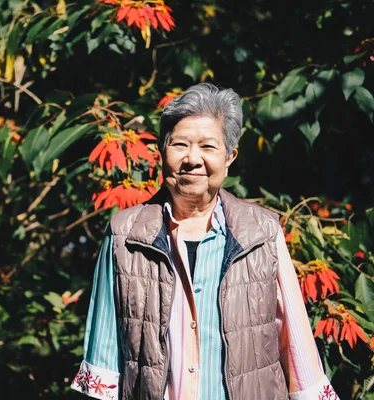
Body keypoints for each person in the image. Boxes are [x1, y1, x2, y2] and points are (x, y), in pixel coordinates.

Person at [70, 83, 338, 400]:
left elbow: (295, 346)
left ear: (229, 157)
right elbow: (104, 355)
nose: (192, 159)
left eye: (208, 147)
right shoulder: (125, 234)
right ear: (161, 152)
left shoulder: (262, 232)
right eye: (180, 145)